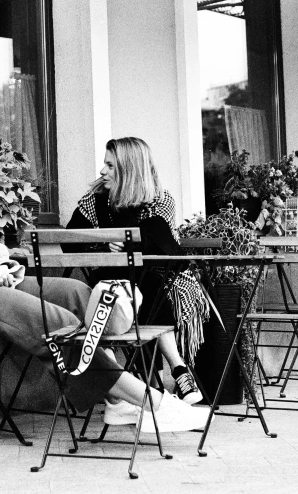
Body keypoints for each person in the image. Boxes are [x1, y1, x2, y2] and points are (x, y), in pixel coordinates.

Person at [0, 109, 207, 433]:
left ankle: (115, 399)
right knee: (57, 325)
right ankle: (154, 404)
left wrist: (5, 261)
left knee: (77, 294)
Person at [66, 137, 209, 406]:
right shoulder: (96, 200)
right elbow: (69, 240)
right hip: (112, 286)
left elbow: (164, 248)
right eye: (104, 164)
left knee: (149, 282)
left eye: (110, 165)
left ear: (128, 169)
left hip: (154, 282)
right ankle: (177, 370)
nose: (102, 171)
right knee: (134, 285)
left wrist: (132, 242)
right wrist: (103, 243)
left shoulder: (158, 200)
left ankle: (154, 383)